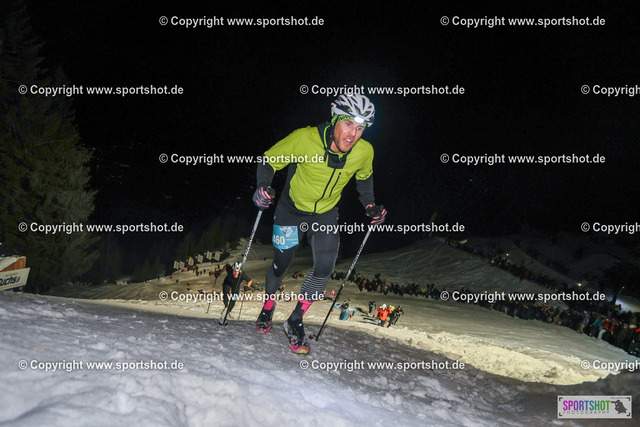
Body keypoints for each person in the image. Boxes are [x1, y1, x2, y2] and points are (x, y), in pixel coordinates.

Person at [253, 94, 387, 354]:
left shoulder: (364, 151)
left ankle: (295, 319)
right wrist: (261, 188)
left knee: (325, 267)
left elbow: (364, 179)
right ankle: (268, 306)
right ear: (335, 119)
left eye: (360, 128)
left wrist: (370, 206)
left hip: (325, 214)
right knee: (280, 266)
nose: (353, 134)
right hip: (290, 212)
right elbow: (268, 160)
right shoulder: (304, 138)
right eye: (348, 124)